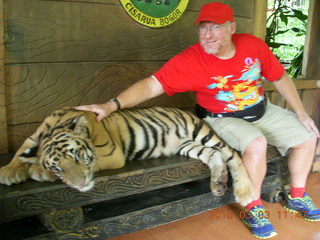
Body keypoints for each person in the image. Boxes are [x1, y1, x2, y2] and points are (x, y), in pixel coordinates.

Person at [76, 2, 320, 239]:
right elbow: (153, 85)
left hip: (261, 109)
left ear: (231, 28)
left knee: (308, 136)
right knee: (256, 144)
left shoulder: (253, 45)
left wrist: (300, 112)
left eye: (215, 27)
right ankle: (252, 206)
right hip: (221, 117)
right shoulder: (191, 60)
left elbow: (279, 78)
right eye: (203, 28)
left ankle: (297, 195)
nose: (208, 35)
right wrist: (112, 105)